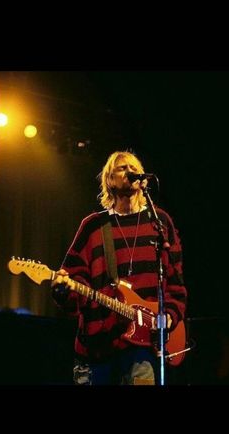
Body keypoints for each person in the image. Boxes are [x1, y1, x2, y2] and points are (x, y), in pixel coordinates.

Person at [51, 150, 187, 385]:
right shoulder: (94, 226)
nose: (131, 171)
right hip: (97, 347)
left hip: (143, 350)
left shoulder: (160, 223)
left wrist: (169, 317)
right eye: (122, 168)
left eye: (134, 167)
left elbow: (175, 283)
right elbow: (74, 280)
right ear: (109, 180)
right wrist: (62, 289)